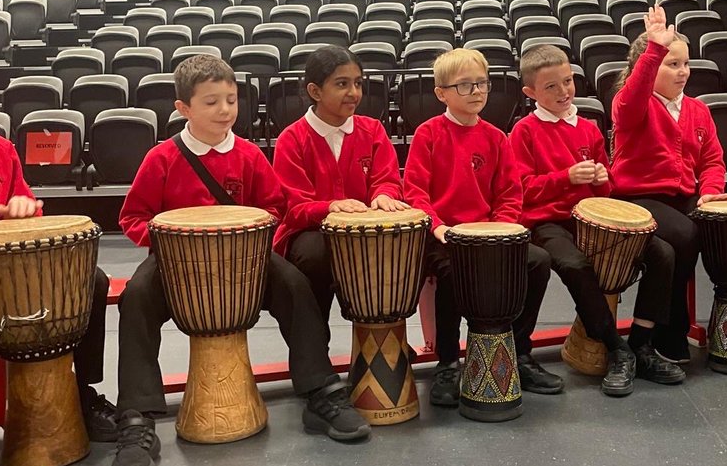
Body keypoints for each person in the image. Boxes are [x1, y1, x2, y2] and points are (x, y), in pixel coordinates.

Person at [109, 54, 369, 466]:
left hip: (244, 259)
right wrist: (173, 238)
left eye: (231, 100)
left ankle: (320, 391)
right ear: (183, 109)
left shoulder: (248, 155)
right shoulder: (162, 158)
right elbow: (132, 217)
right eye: (211, 102)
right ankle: (137, 423)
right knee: (136, 298)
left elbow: (273, 206)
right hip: (177, 263)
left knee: (294, 285)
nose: (225, 110)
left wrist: (247, 236)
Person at [509, 44, 681, 395]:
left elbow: (608, 186)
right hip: (548, 221)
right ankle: (617, 348)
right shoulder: (524, 132)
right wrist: (565, 177)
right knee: (574, 264)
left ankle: (642, 344)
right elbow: (522, 190)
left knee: (662, 252)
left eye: (567, 81)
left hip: (591, 216)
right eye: (551, 87)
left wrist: (604, 180)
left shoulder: (587, 127)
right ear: (530, 93)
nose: (563, 91)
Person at [403, 47, 561, 406]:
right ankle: (447, 362)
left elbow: (509, 194)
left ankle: (518, 351)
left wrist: (499, 230)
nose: (476, 92)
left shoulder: (496, 137)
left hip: (489, 234)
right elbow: (415, 194)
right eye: (465, 86)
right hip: (442, 235)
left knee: (537, 261)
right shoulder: (428, 135)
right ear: (441, 93)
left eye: (482, 84)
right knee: (451, 272)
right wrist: (440, 229)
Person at [611, 5, 727, 368]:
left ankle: (704, 327)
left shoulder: (698, 110)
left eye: (685, 64)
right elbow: (630, 101)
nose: (682, 72)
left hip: (683, 197)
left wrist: (710, 190)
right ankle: (670, 329)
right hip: (637, 196)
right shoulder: (632, 103)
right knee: (684, 234)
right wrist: (654, 49)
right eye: (672, 64)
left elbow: (713, 160)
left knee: (706, 230)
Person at [273, 45, 408, 319]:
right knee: (316, 254)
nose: (354, 93)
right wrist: (332, 206)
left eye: (358, 83)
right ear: (315, 91)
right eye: (342, 84)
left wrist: (384, 194)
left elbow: (388, 180)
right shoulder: (292, 138)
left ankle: (379, 335)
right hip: (311, 234)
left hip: (365, 231)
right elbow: (295, 209)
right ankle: (315, 343)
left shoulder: (373, 129)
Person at [0, 133, 112, 439]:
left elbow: (30, 209)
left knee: (91, 280)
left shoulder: (1, 149)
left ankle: (82, 392)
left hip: (4, 267)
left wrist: (24, 206)